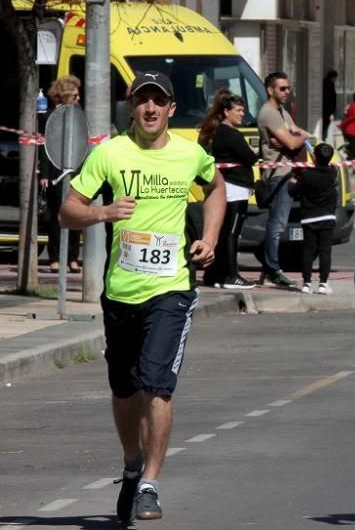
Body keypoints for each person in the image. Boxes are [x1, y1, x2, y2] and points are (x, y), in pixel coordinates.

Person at [59, 70, 225, 523]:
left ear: (172, 108)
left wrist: (209, 237)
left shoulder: (191, 154)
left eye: (159, 101)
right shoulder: (110, 153)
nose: (150, 108)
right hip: (121, 291)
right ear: (131, 107)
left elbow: (216, 189)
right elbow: (67, 211)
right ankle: (133, 464)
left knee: (156, 382)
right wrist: (102, 212)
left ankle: (150, 483)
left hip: (171, 287)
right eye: (142, 100)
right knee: (124, 386)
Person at [197, 89, 258, 289]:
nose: (242, 114)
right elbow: (250, 157)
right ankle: (232, 275)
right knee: (232, 233)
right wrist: (254, 154)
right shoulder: (229, 134)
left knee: (223, 234)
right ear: (226, 112)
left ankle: (215, 274)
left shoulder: (218, 133)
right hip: (235, 188)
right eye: (238, 110)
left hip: (228, 187)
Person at [257, 71, 307, 288]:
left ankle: (268, 270)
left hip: (287, 173)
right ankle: (272, 271)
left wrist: (297, 138)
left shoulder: (282, 113)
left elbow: (296, 135)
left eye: (288, 88)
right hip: (278, 175)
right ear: (271, 90)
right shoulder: (269, 113)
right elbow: (293, 142)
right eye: (283, 88)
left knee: (279, 223)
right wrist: (296, 140)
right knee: (276, 225)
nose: (288, 92)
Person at [40, 75, 82, 273]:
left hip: (75, 171)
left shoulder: (78, 115)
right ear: (63, 97)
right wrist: (45, 175)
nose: (78, 99)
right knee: (57, 215)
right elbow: (46, 148)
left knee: (75, 214)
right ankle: (55, 257)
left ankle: (73, 257)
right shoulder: (51, 117)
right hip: (57, 171)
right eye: (74, 96)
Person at [289, 143, 341, 294]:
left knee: (308, 251)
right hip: (327, 217)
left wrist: (292, 183)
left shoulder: (307, 176)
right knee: (325, 251)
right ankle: (323, 283)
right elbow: (331, 167)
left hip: (309, 217)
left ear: (314, 158)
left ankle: (306, 283)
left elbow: (294, 192)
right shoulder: (332, 173)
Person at [321, 69, 338, 140]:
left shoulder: (323, 82)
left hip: (324, 109)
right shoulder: (330, 84)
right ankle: (323, 139)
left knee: (323, 127)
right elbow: (331, 99)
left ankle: (323, 137)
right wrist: (331, 112)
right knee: (325, 127)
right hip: (327, 110)